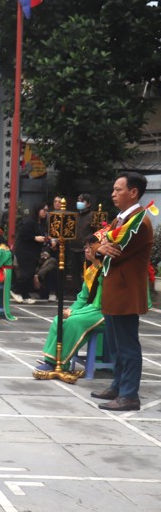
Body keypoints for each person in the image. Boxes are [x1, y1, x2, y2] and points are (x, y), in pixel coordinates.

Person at [91, 172, 153, 412]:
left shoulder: (139, 223)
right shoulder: (121, 219)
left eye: (118, 189)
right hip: (115, 291)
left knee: (127, 346)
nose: (113, 194)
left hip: (126, 293)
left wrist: (100, 247)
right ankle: (118, 386)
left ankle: (129, 395)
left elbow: (113, 251)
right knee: (116, 345)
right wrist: (99, 247)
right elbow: (97, 244)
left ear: (133, 192)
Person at [35, 235, 105, 371]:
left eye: (91, 247)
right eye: (86, 247)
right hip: (90, 309)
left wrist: (75, 313)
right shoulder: (90, 270)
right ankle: (52, 359)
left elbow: (99, 303)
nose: (86, 250)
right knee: (59, 319)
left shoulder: (104, 271)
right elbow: (83, 298)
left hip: (102, 312)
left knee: (74, 322)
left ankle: (61, 362)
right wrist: (70, 310)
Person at [13, 202, 48, 302]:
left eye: (46, 210)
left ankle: (25, 295)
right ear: (38, 210)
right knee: (26, 273)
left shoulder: (42, 223)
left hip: (34, 251)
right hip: (24, 250)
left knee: (31, 272)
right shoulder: (29, 221)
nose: (45, 212)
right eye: (43, 210)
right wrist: (34, 238)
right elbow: (23, 234)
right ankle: (15, 289)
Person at [69, 193, 95, 294]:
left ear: (88, 204)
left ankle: (88, 293)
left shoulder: (92, 216)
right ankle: (77, 293)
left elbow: (95, 232)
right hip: (73, 247)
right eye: (78, 200)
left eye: (82, 201)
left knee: (87, 272)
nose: (79, 203)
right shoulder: (74, 216)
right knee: (74, 273)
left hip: (85, 249)